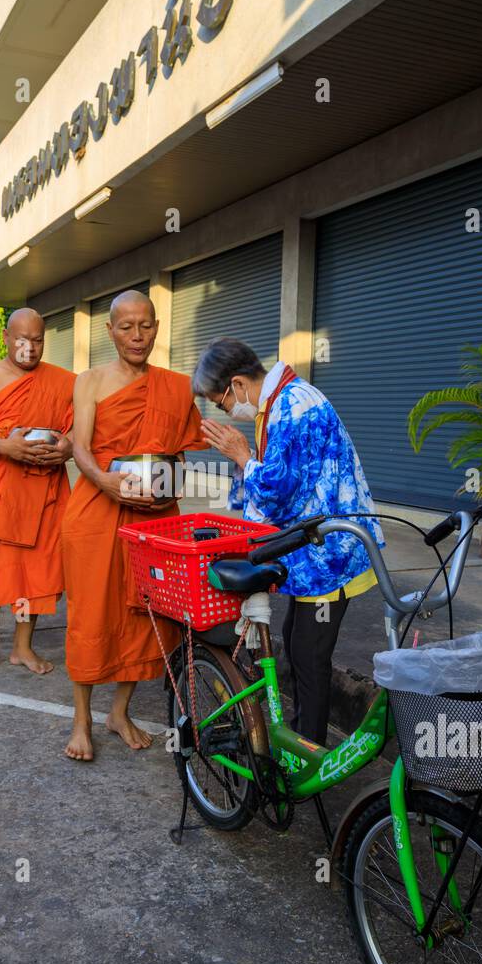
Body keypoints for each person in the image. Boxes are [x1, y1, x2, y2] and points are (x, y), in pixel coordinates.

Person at [195, 339, 383, 748]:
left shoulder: (294, 406)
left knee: (309, 657)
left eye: (223, 404)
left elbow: (283, 493)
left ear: (238, 385)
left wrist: (242, 457)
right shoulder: (279, 404)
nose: (228, 413)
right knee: (298, 646)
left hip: (331, 555)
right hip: (315, 552)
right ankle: (301, 740)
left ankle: (308, 753)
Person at [61, 291, 204, 762]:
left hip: (156, 516)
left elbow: (179, 451)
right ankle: (81, 719)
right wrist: (103, 479)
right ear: (110, 331)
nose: (136, 336)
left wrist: (169, 481)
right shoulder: (91, 381)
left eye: (145, 326)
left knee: (143, 612)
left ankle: (119, 711)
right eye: (126, 327)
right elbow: (79, 446)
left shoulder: (177, 387)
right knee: (91, 613)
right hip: (96, 512)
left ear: (157, 328)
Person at [0, 308, 75, 673]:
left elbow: (80, 428)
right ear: (6, 337)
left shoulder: (63, 380)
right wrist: (7, 447)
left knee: (36, 569)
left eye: (38, 340)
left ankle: (22, 646)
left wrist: (68, 446)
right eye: (22, 340)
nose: (30, 347)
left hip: (44, 487)